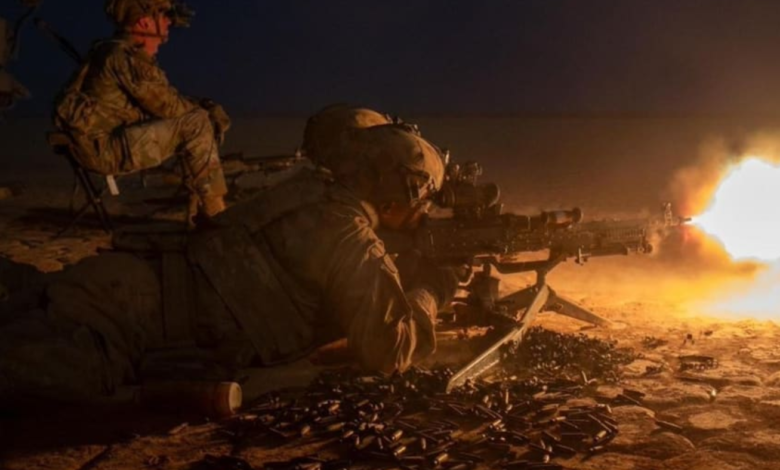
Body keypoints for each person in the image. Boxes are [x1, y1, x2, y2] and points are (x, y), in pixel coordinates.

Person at [0, 120, 460, 404]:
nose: (421, 214)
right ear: (399, 194)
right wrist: (431, 290)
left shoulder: (310, 191)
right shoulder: (349, 234)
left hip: (124, 281)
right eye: (421, 202)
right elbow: (387, 351)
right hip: (122, 327)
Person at [52, 0, 230, 222]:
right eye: (164, 16)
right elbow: (168, 106)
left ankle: (200, 213)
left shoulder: (112, 51)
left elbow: (163, 100)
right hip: (106, 150)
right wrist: (208, 111)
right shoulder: (123, 57)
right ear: (144, 22)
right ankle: (217, 214)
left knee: (194, 121)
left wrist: (201, 106)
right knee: (197, 123)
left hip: (99, 145)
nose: (168, 23)